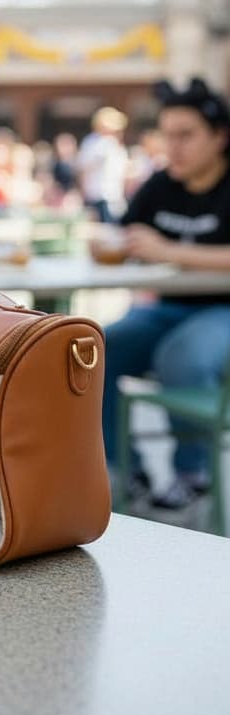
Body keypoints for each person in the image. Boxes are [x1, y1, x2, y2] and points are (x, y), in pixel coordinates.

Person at [101, 77, 230, 509]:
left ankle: (194, 475)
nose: (173, 147)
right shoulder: (160, 184)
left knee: (183, 355)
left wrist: (167, 249)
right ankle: (120, 470)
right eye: (166, 135)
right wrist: (111, 244)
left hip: (221, 310)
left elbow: (162, 247)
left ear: (219, 136)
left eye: (186, 135)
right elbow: (126, 236)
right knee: (96, 346)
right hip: (170, 306)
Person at [77, 106, 130, 223]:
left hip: (113, 196)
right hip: (98, 195)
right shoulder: (94, 142)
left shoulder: (114, 144)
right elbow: (84, 170)